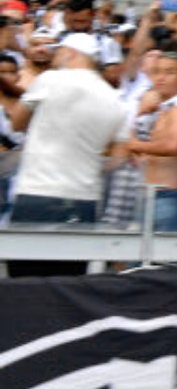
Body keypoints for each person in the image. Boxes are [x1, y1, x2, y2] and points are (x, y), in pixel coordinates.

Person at [6, 35, 127, 274]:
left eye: (58, 50)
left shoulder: (51, 79)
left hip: (37, 194)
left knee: (23, 284)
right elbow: (118, 159)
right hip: (84, 200)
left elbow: (16, 123)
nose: (54, 55)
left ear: (71, 53)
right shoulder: (116, 99)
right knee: (68, 285)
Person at [123, 51, 177, 232]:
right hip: (149, 195)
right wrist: (140, 113)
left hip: (167, 196)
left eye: (170, 72)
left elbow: (173, 145)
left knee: (160, 258)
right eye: (157, 71)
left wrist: (134, 145)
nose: (161, 77)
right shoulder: (162, 111)